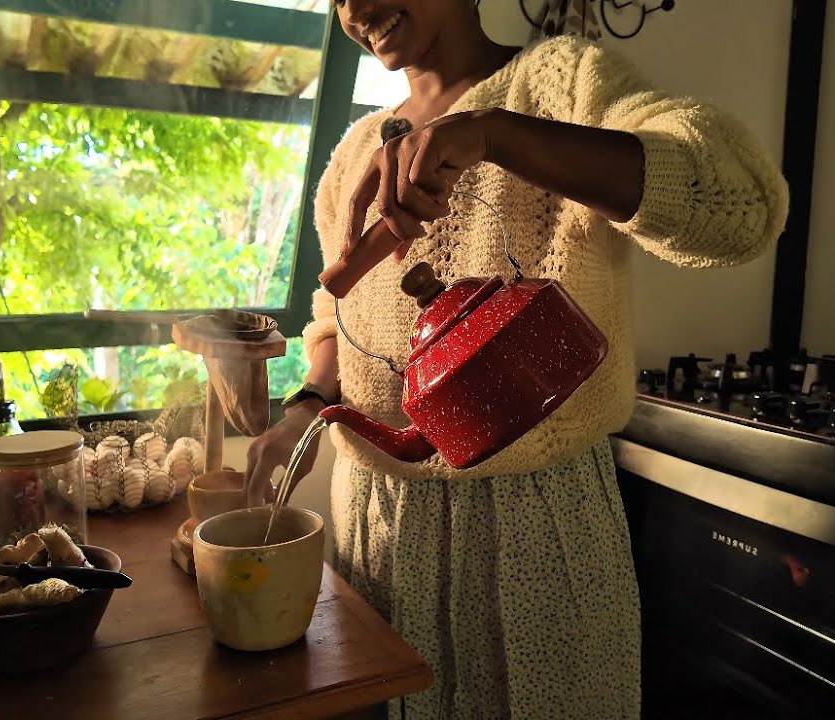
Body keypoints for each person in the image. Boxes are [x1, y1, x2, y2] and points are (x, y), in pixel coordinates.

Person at [246, 0, 789, 717]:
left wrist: (494, 136)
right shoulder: (353, 153)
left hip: (533, 529)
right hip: (373, 533)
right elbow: (334, 327)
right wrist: (304, 412)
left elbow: (743, 205)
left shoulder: (558, 81)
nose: (356, 9)